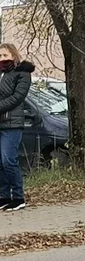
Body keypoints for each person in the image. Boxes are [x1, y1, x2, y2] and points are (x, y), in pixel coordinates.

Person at [0, 44, 33, 211]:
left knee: (8, 160)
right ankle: (4, 196)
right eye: (0, 55)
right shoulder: (1, 74)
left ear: (13, 55)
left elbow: (17, 97)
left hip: (12, 124)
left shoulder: (23, 73)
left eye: (5, 54)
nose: (2, 58)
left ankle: (18, 197)